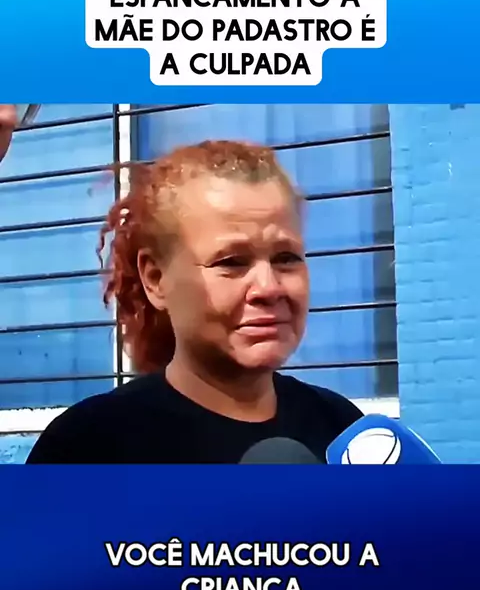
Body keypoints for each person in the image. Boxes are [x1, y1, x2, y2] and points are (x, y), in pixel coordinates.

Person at [27, 139, 363, 464]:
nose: (268, 287)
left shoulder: (343, 433)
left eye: (286, 258)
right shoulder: (88, 448)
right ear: (155, 279)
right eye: (231, 262)